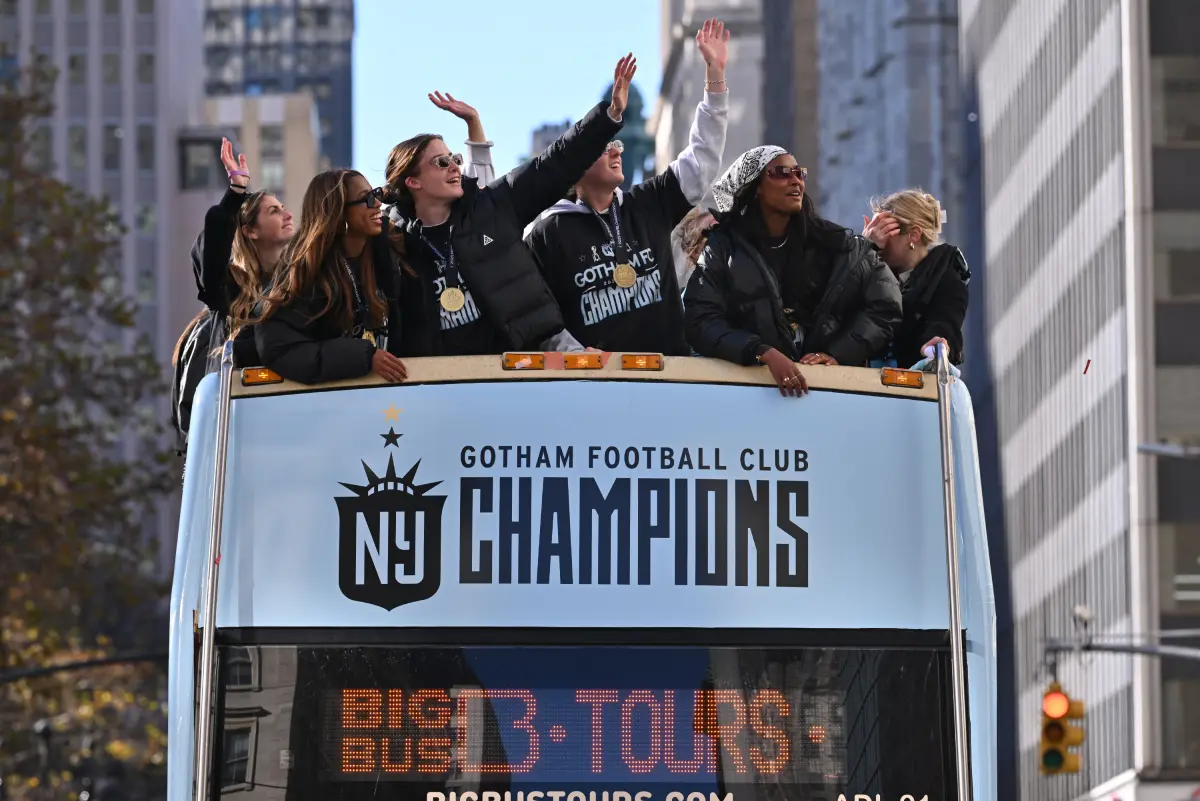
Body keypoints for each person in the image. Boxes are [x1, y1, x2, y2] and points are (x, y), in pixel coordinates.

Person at [380, 57, 636, 357]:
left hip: (512, 377)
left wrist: (608, 117)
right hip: (437, 389)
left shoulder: (491, 208)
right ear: (413, 182)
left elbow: (555, 163)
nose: (453, 166)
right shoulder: (392, 242)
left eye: (456, 159)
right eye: (441, 162)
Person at [524, 20, 730, 355]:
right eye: (604, 146)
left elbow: (702, 160)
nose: (616, 151)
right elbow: (534, 313)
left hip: (671, 379)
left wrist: (715, 77)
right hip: (596, 387)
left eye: (617, 146)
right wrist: (576, 357)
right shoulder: (548, 231)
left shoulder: (649, 201)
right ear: (575, 164)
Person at [683, 146, 902, 396]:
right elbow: (701, 320)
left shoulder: (834, 243)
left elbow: (886, 303)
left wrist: (837, 354)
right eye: (781, 173)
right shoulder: (723, 249)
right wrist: (761, 351)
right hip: (750, 393)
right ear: (755, 188)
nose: (795, 180)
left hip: (830, 392)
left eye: (799, 173)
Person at [171, 138, 294, 447]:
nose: (288, 215)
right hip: (229, 434)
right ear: (250, 231)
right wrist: (236, 192)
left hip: (284, 428)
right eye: (274, 211)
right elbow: (208, 256)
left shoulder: (297, 282)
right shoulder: (229, 289)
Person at [254, 169, 408, 385]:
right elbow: (278, 348)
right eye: (366, 198)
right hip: (329, 406)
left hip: (389, 400)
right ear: (338, 213)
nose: (377, 204)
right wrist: (362, 357)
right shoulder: (306, 273)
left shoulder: (388, 252)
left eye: (376, 194)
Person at [862, 189, 970, 367]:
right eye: (873, 231)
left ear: (913, 235)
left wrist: (936, 345)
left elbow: (945, 322)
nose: (878, 240)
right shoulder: (872, 270)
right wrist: (864, 250)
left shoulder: (946, 280)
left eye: (884, 231)